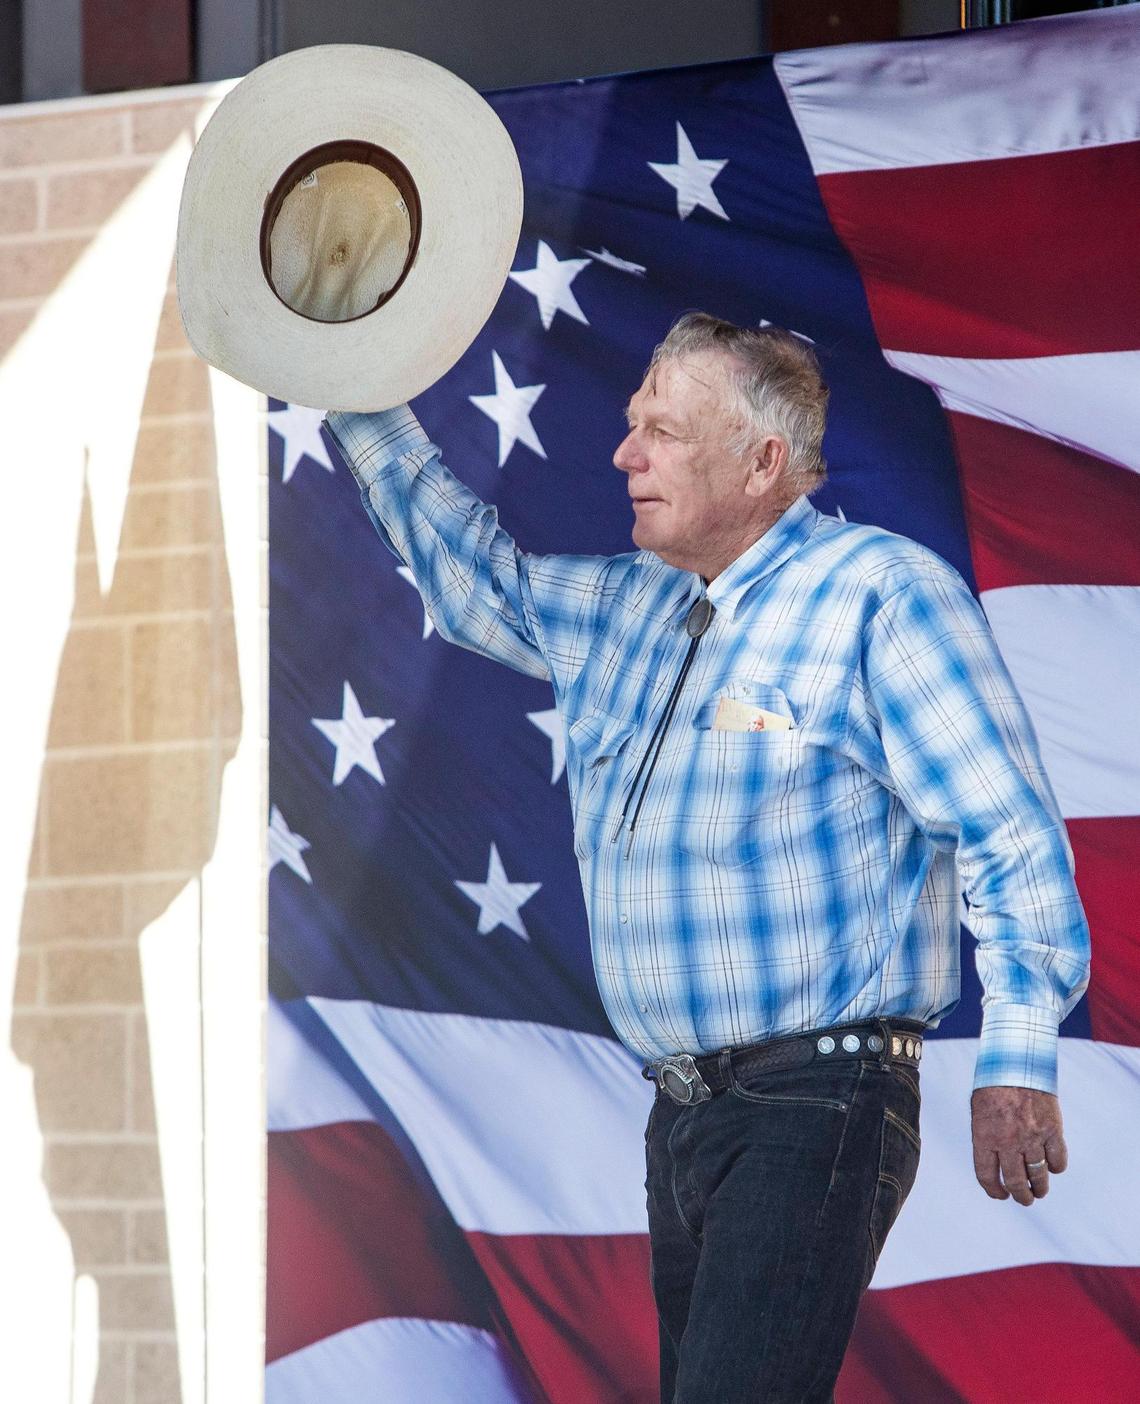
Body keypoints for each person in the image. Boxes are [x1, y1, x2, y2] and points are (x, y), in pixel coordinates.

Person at [324, 313, 1090, 1403]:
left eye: (664, 433)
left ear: (762, 461)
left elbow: (1003, 827)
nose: (624, 454)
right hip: (684, 1114)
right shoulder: (625, 606)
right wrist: (350, 378)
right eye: (634, 424)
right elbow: (473, 581)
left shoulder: (880, 594)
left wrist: (1018, 1055)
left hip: (819, 1100)